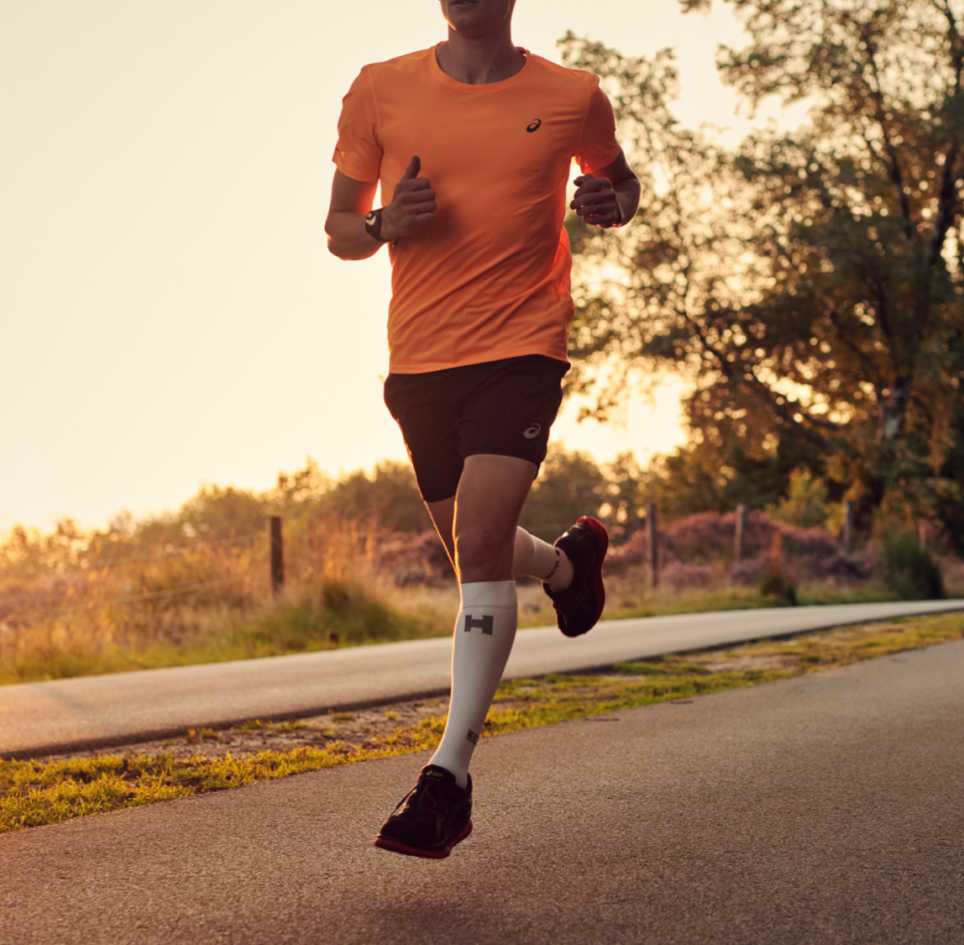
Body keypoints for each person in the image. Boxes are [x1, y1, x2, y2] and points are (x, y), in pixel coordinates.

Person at [324, 0, 639, 860]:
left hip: (522, 347)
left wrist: (611, 202)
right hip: (421, 359)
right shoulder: (379, 90)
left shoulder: (573, 94)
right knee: (478, 547)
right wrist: (390, 223)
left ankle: (448, 777)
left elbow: (622, 182)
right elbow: (340, 230)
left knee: (479, 542)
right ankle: (570, 564)